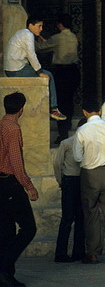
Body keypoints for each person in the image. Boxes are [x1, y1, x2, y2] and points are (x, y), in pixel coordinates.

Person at [73, 98, 105, 264]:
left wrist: (87, 161)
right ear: (100, 111)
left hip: (89, 174)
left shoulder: (82, 131)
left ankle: (93, 253)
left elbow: (77, 156)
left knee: (91, 213)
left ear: (84, 112)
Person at [0, 92, 39, 287]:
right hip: (9, 183)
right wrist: (29, 187)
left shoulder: (1, 124)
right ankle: (3, 267)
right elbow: (16, 161)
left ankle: (6, 276)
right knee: (28, 228)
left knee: (6, 231)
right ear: (21, 109)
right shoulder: (12, 127)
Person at [4, 17, 66, 122]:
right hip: (16, 69)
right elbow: (31, 55)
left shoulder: (23, 33)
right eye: (39, 26)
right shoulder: (28, 34)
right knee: (49, 75)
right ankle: (53, 108)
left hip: (14, 67)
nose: (41, 29)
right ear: (30, 25)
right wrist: (39, 72)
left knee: (45, 73)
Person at [36, 14, 79, 143]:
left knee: (61, 104)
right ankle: (68, 127)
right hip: (74, 71)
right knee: (69, 102)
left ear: (60, 25)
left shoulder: (57, 38)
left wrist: (34, 39)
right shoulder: (74, 37)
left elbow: (40, 48)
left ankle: (63, 134)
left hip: (63, 73)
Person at [53, 118, 86, 263]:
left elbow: (57, 164)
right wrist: (61, 180)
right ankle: (62, 253)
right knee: (70, 217)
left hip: (77, 181)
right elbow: (57, 163)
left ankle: (77, 251)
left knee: (78, 217)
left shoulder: (71, 143)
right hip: (72, 180)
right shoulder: (66, 143)